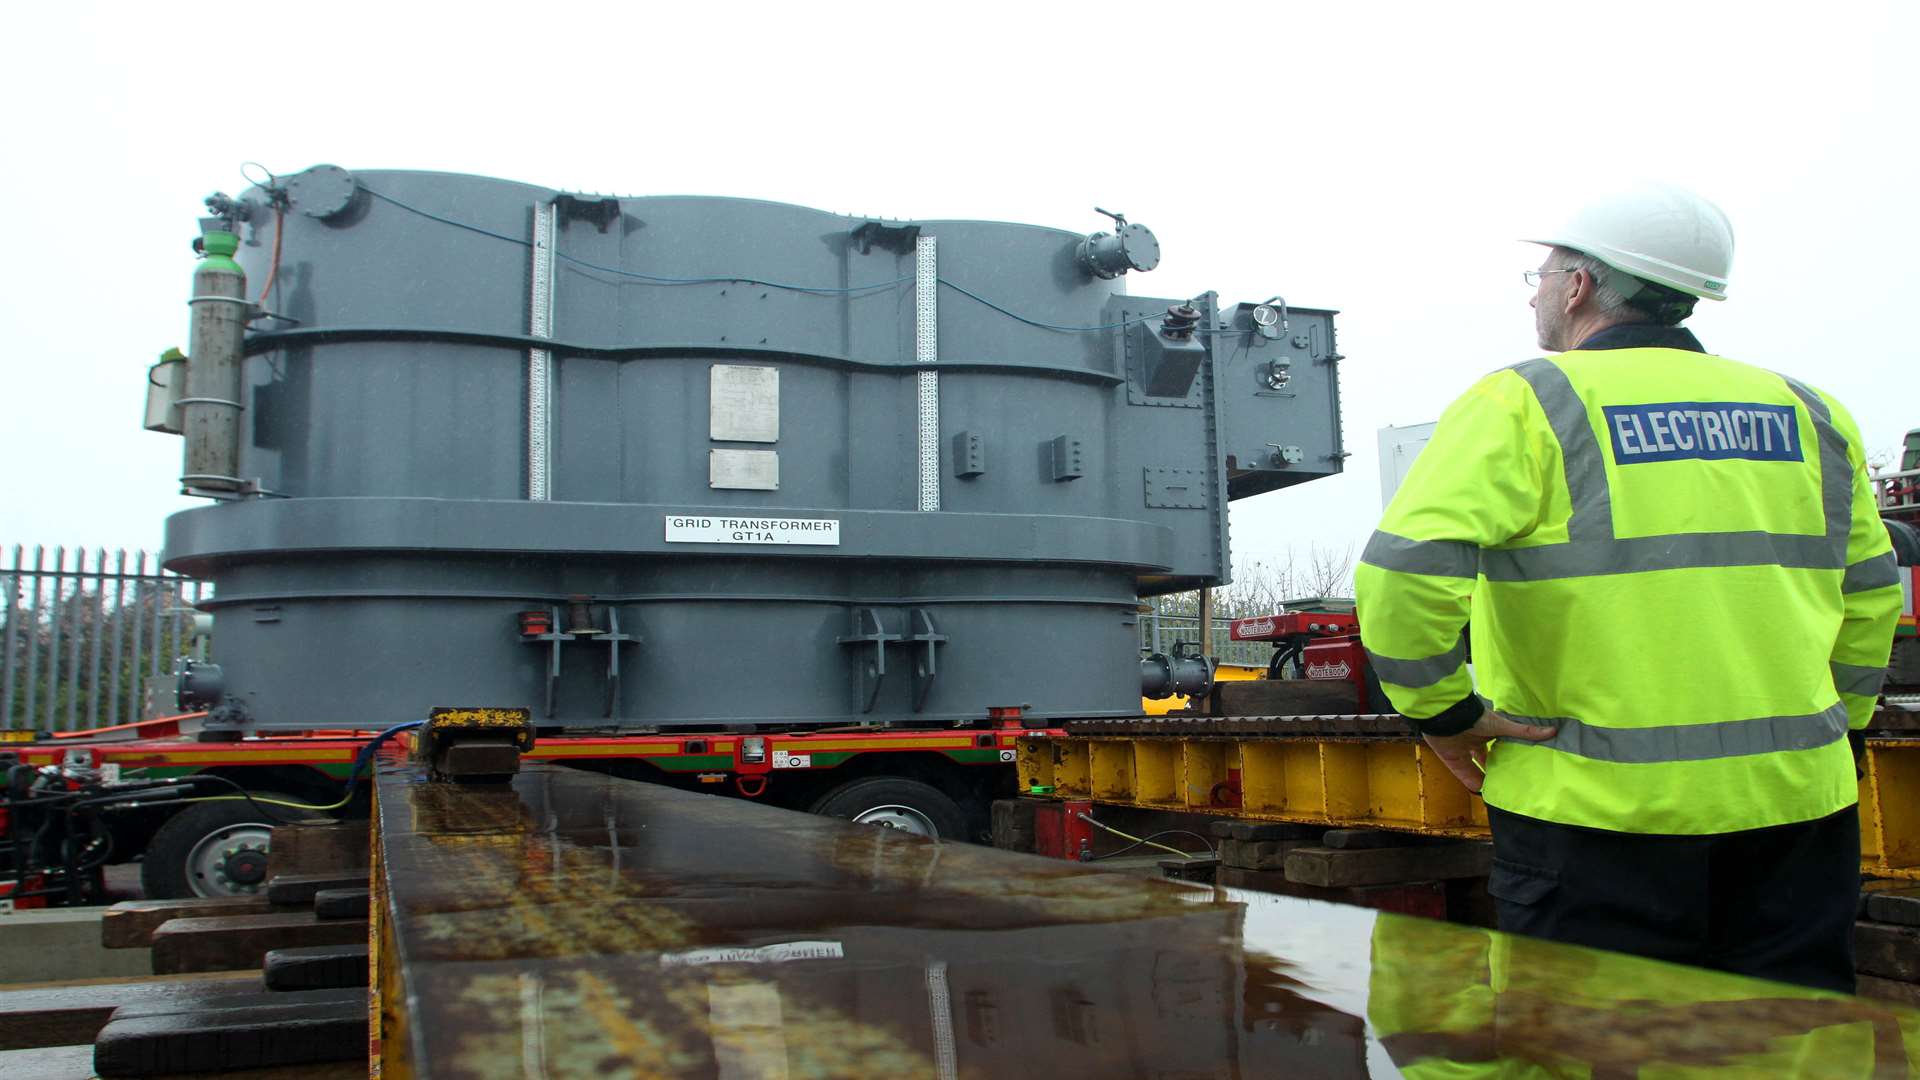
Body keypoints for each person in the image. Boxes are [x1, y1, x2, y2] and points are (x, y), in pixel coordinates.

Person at [1352, 182, 1902, 994]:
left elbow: (1402, 575)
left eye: (1541, 274)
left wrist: (1447, 714)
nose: (1536, 292)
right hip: (1798, 814)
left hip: (1592, 822)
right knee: (1794, 1045)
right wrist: (1839, 736)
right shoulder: (1810, 412)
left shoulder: (1529, 402)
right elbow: (1871, 597)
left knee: (1594, 1050)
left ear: (1578, 286)